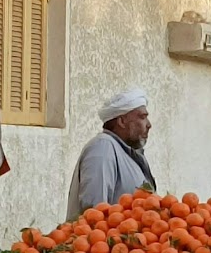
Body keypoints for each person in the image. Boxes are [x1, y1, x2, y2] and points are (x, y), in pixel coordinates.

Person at [66, 90, 156, 219]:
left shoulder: (127, 152)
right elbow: (94, 212)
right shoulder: (103, 148)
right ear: (122, 121)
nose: (149, 124)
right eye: (142, 117)